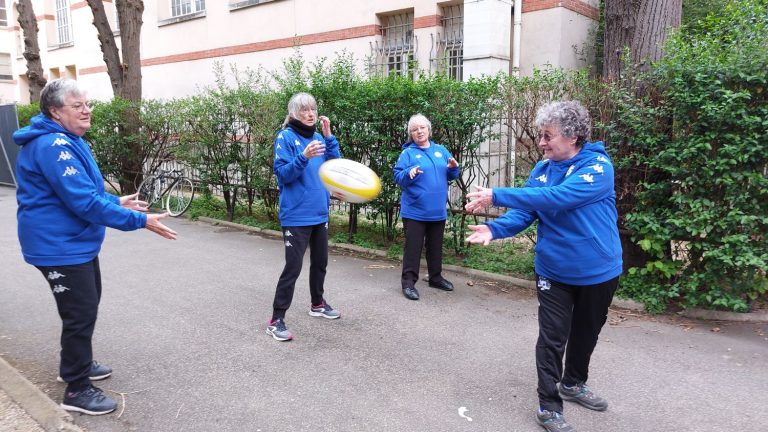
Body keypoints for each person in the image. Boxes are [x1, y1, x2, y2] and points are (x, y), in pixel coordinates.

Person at [13, 79, 178, 416]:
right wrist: (140, 222)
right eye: (77, 105)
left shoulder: (69, 140)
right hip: (57, 246)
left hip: (74, 244)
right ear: (56, 111)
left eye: (87, 103)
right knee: (80, 313)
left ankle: (76, 365)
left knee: (84, 308)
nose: (87, 110)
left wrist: (117, 201)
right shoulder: (53, 145)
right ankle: (76, 389)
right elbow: (83, 202)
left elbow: (83, 193)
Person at [464, 100, 623, 432]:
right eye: (540, 135)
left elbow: (559, 198)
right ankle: (549, 405)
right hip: (553, 271)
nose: (541, 142)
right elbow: (528, 211)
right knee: (552, 338)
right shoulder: (541, 170)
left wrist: (497, 195)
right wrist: (495, 228)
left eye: (548, 136)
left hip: (599, 271)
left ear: (573, 136)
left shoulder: (597, 167)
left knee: (586, 333)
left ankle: (574, 383)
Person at [267, 92, 342, 342]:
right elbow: (284, 174)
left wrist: (329, 137)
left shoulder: (319, 137)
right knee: (293, 267)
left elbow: (334, 166)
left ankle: (317, 304)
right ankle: (276, 319)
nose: (310, 114)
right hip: (296, 215)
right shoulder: (285, 137)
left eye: (313, 109)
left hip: (319, 212)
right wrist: (303, 157)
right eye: (304, 110)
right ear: (293, 113)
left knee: (320, 263)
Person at [393, 114, 460, 300]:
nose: (419, 131)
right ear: (411, 134)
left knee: (435, 247)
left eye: (422, 128)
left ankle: (435, 278)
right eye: (414, 129)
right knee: (413, 249)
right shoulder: (408, 153)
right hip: (415, 210)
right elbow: (398, 176)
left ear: (429, 130)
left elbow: (451, 173)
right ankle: (408, 283)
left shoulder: (441, 150)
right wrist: (409, 172)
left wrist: (454, 168)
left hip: (437, 210)